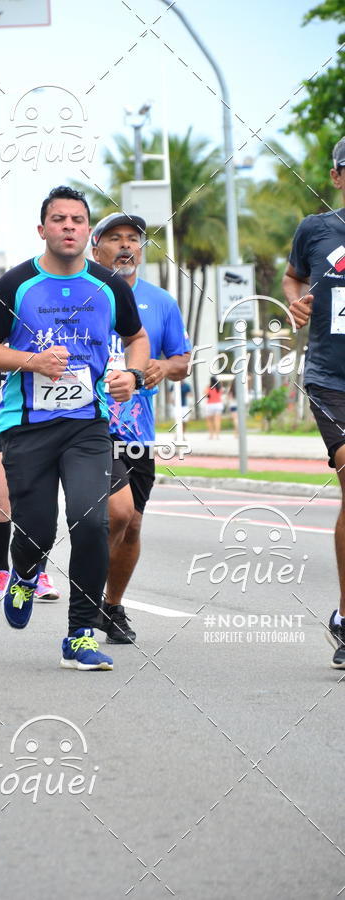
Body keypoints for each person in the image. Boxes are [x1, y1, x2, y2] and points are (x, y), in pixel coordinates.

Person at [0, 185, 149, 671]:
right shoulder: (16, 284)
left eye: (77, 220)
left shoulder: (109, 285)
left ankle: (80, 635)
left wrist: (132, 374)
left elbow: (137, 338)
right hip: (27, 425)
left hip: (87, 424)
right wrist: (32, 361)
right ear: (42, 229)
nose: (69, 226)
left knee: (92, 522)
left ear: (88, 231)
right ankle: (25, 574)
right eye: (59, 219)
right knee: (37, 530)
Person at [90, 212, 191, 643]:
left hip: (138, 431)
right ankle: (85, 602)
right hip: (89, 425)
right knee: (116, 513)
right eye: (115, 238)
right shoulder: (82, 294)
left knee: (132, 523)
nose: (126, 246)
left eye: (133, 238)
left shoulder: (161, 302)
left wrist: (162, 368)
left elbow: (182, 362)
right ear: (96, 248)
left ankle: (111, 606)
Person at [283, 136, 345, 669]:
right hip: (331, 380)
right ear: (337, 176)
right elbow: (293, 277)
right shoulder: (316, 229)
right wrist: (295, 303)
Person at [0, 362, 60, 602]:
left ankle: (38, 573)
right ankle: (2, 571)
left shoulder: (42, 340)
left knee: (39, 505)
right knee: (1, 507)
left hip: (37, 424)